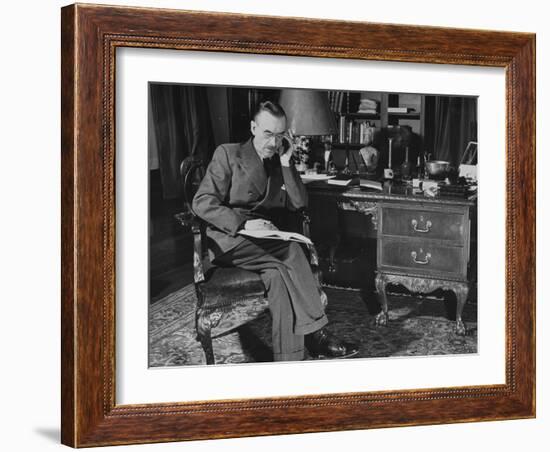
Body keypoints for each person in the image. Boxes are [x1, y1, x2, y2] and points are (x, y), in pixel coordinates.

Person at [192, 100, 358, 361]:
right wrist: (243, 224)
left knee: (278, 276)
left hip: (265, 242)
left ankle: (288, 360)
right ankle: (318, 333)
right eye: (268, 133)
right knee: (291, 250)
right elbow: (202, 202)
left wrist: (285, 162)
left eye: (279, 135)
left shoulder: (280, 159)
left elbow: (300, 202)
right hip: (230, 239)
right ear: (253, 127)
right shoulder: (228, 153)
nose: (273, 142)